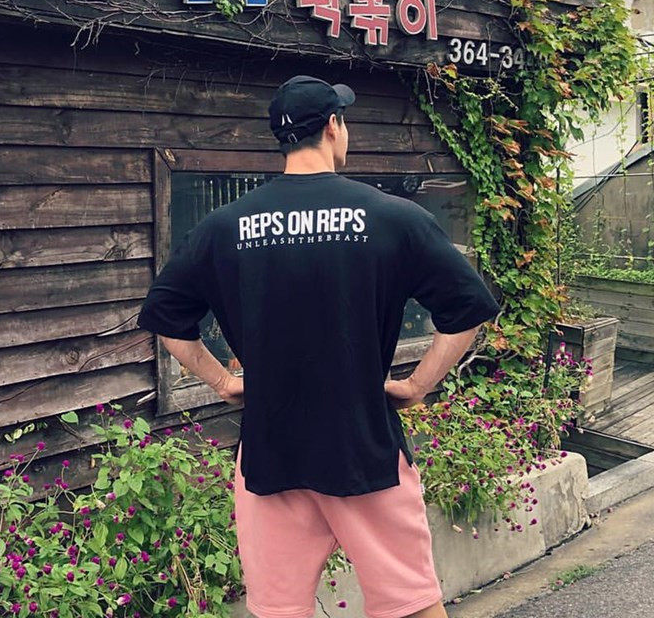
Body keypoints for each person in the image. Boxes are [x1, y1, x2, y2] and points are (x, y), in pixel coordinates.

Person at [136, 74, 502, 618]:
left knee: (279, 612)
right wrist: (417, 386)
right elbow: (467, 308)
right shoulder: (393, 217)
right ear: (333, 126)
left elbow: (166, 318)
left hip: (270, 457)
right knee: (412, 606)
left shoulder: (222, 227)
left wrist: (224, 382)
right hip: (366, 451)